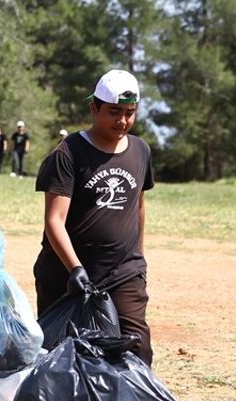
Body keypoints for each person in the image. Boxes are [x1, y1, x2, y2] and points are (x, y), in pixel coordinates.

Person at [32, 69, 155, 365]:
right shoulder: (69, 153)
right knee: (63, 359)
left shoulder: (140, 151)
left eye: (129, 112)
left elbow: (138, 206)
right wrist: (75, 269)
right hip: (65, 276)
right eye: (114, 112)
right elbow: (54, 220)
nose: (122, 121)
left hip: (122, 274)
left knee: (136, 349)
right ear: (94, 108)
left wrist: (138, 258)